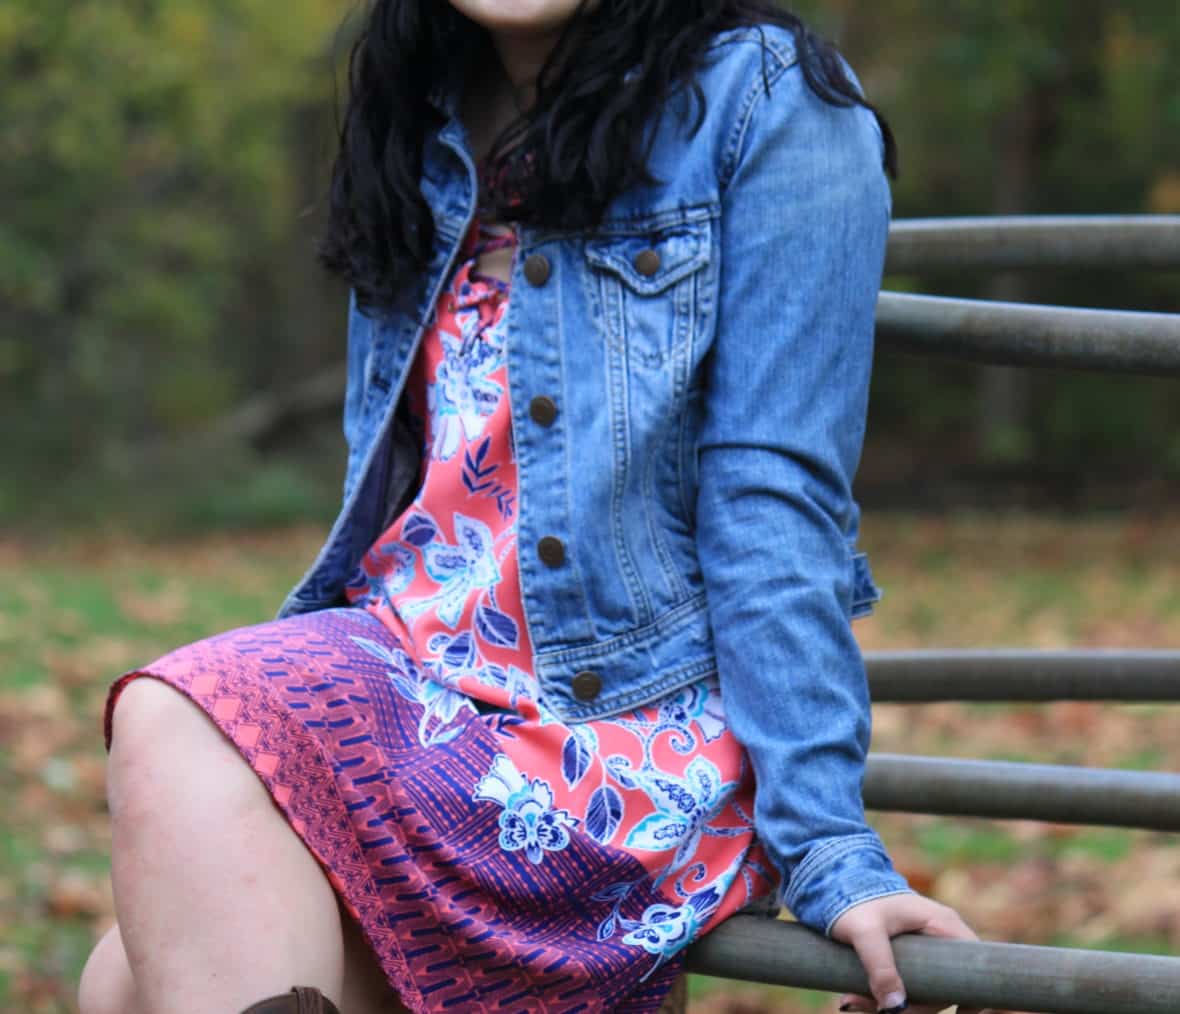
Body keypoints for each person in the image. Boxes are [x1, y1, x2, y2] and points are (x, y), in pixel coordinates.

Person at [78, 2, 995, 1013]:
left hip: (617, 735)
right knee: (123, 976)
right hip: (414, 680)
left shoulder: (768, 103)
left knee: (176, 721)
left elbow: (774, 498)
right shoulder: (418, 105)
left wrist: (826, 843)